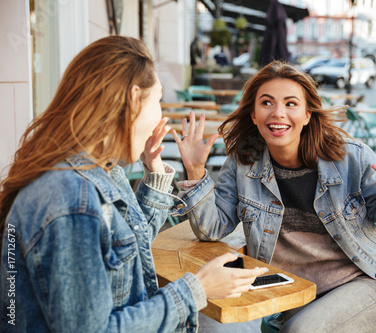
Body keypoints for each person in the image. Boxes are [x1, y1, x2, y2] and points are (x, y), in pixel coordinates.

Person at [0, 36, 267, 332]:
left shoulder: (97, 171)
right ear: (133, 97)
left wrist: (155, 176)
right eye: (158, 101)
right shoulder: (72, 199)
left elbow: (127, 247)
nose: (160, 118)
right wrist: (196, 290)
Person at [171, 60, 376, 332]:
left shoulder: (351, 156)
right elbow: (212, 228)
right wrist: (196, 171)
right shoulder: (242, 163)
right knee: (205, 319)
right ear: (254, 115)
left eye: (291, 104)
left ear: (307, 114)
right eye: (267, 103)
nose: (278, 113)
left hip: (362, 283)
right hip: (291, 291)